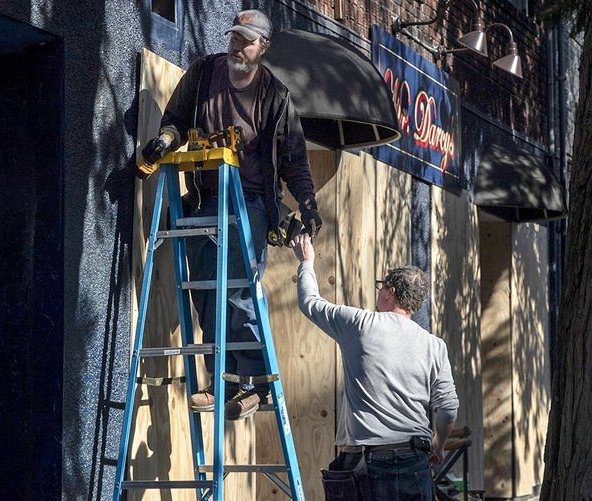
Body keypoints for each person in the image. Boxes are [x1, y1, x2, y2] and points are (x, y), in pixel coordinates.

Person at [139, 9, 322, 421]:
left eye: (247, 40)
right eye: (235, 37)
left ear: (263, 47)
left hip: (252, 201)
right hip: (207, 196)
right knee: (206, 289)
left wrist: (307, 204)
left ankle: (252, 385)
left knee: (237, 288)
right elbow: (176, 119)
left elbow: (294, 161)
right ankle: (221, 381)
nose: (238, 45)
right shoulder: (205, 73)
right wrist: (163, 141)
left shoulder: (275, 95)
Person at [289, 232, 459, 500]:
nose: (379, 291)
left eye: (381, 286)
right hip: (414, 458)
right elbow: (448, 407)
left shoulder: (361, 325)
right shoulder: (434, 345)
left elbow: (310, 303)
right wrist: (438, 443)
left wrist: (306, 261)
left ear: (390, 292)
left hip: (366, 462)